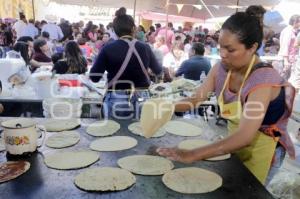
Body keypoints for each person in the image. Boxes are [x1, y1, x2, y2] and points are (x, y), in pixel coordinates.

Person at [157, 12, 296, 186]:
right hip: (234, 141)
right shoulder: (221, 69)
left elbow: (245, 136)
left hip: (264, 148)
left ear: (252, 48)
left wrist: (192, 154)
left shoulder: (263, 80)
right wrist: (164, 107)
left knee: (249, 190)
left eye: (230, 49)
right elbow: (196, 99)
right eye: (220, 46)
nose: (222, 54)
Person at [90, 7, 162, 119]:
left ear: (114, 30)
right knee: (143, 132)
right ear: (133, 29)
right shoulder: (145, 47)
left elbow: (94, 77)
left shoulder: (107, 48)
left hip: (116, 98)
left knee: (115, 133)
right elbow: (158, 71)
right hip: (142, 97)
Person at [278, 15, 300, 80]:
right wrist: (286, 61)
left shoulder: (291, 30)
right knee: (283, 80)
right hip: (285, 60)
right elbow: (285, 45)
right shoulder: (288, 31)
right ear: (295, 22)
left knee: (285, 80)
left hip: (288, 59)